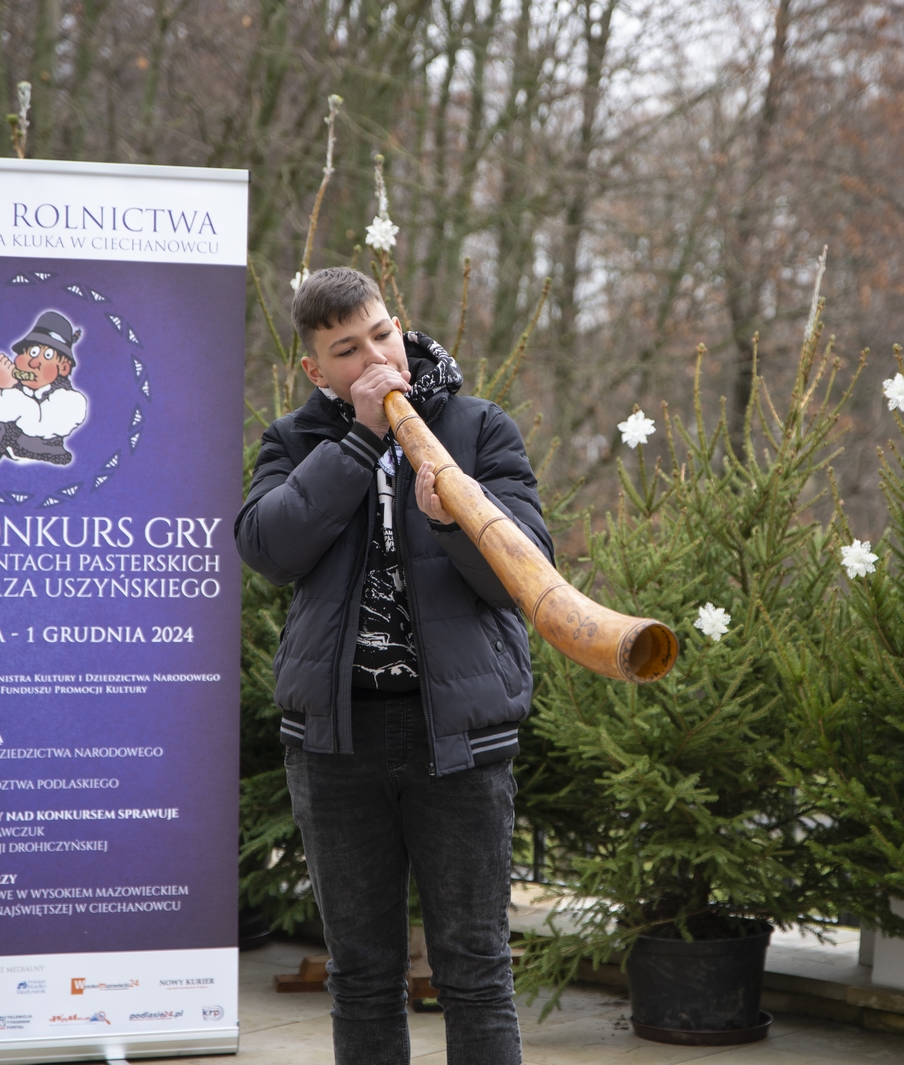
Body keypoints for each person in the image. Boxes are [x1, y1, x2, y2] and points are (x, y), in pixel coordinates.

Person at [235, 267, 550, 1064]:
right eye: (347, 350)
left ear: (398, 325)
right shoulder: (296, 441)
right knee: (363, 976)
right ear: (316, 370)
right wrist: (359, 440)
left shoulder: (479, 428)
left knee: (476, 972)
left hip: (459, 742)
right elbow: (268, 547)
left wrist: (455, 522)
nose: (376, 357)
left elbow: (524, 575)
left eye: (382, 334)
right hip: (335, 743)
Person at [0, 310, 88, 465]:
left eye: (47, 356)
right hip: (0, 466)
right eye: (32, 352)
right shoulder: (17, 386)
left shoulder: (71, 401)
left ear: (64, 368)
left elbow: (37, 424)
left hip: (44, 468)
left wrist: (7, 387)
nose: (33, 363)